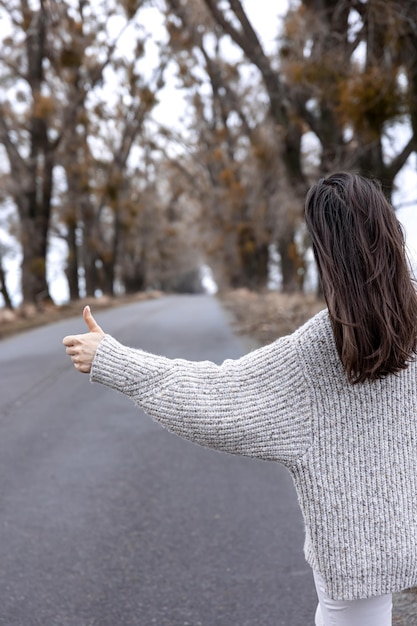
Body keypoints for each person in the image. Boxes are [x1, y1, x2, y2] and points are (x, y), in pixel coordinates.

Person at [63, 172, 417, 626]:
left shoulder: (312, 354)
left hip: (356, 564)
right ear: (390, 230)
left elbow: (217, 396)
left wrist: (112, 360)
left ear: (325, 253)